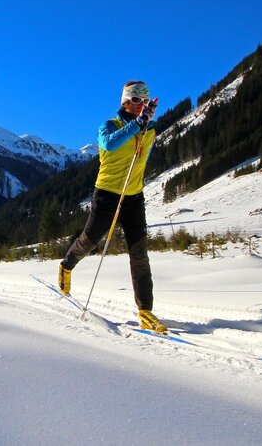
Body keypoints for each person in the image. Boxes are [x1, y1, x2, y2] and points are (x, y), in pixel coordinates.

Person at [58, 80, 167, 333]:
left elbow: (143, 160)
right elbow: (109, 144)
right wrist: (136, 126)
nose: (142, 106)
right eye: (137, 101)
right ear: (126, 102)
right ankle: (66, 265)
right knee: (90, 240)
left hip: (133, 197)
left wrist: (143, 127)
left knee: (139, 253)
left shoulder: (149, 131)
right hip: (107, 194)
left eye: (146, 102)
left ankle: (145, 310)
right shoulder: (109, 125)